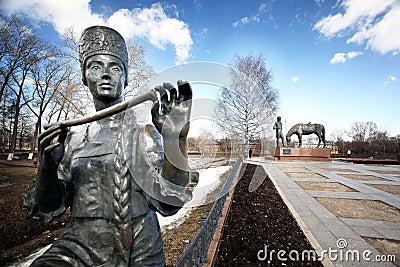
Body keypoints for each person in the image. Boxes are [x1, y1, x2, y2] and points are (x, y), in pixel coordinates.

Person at [23, 25, 198, 267]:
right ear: (84, 77)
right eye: (95, 67)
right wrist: (47, 167)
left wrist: (174, 139)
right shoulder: (72, 138)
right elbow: (48, 208)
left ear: (125, 78)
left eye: (115, 68)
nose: (106, 74)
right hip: (80, 245)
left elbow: (169, 202)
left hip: (138, 244)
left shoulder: (144, 134)